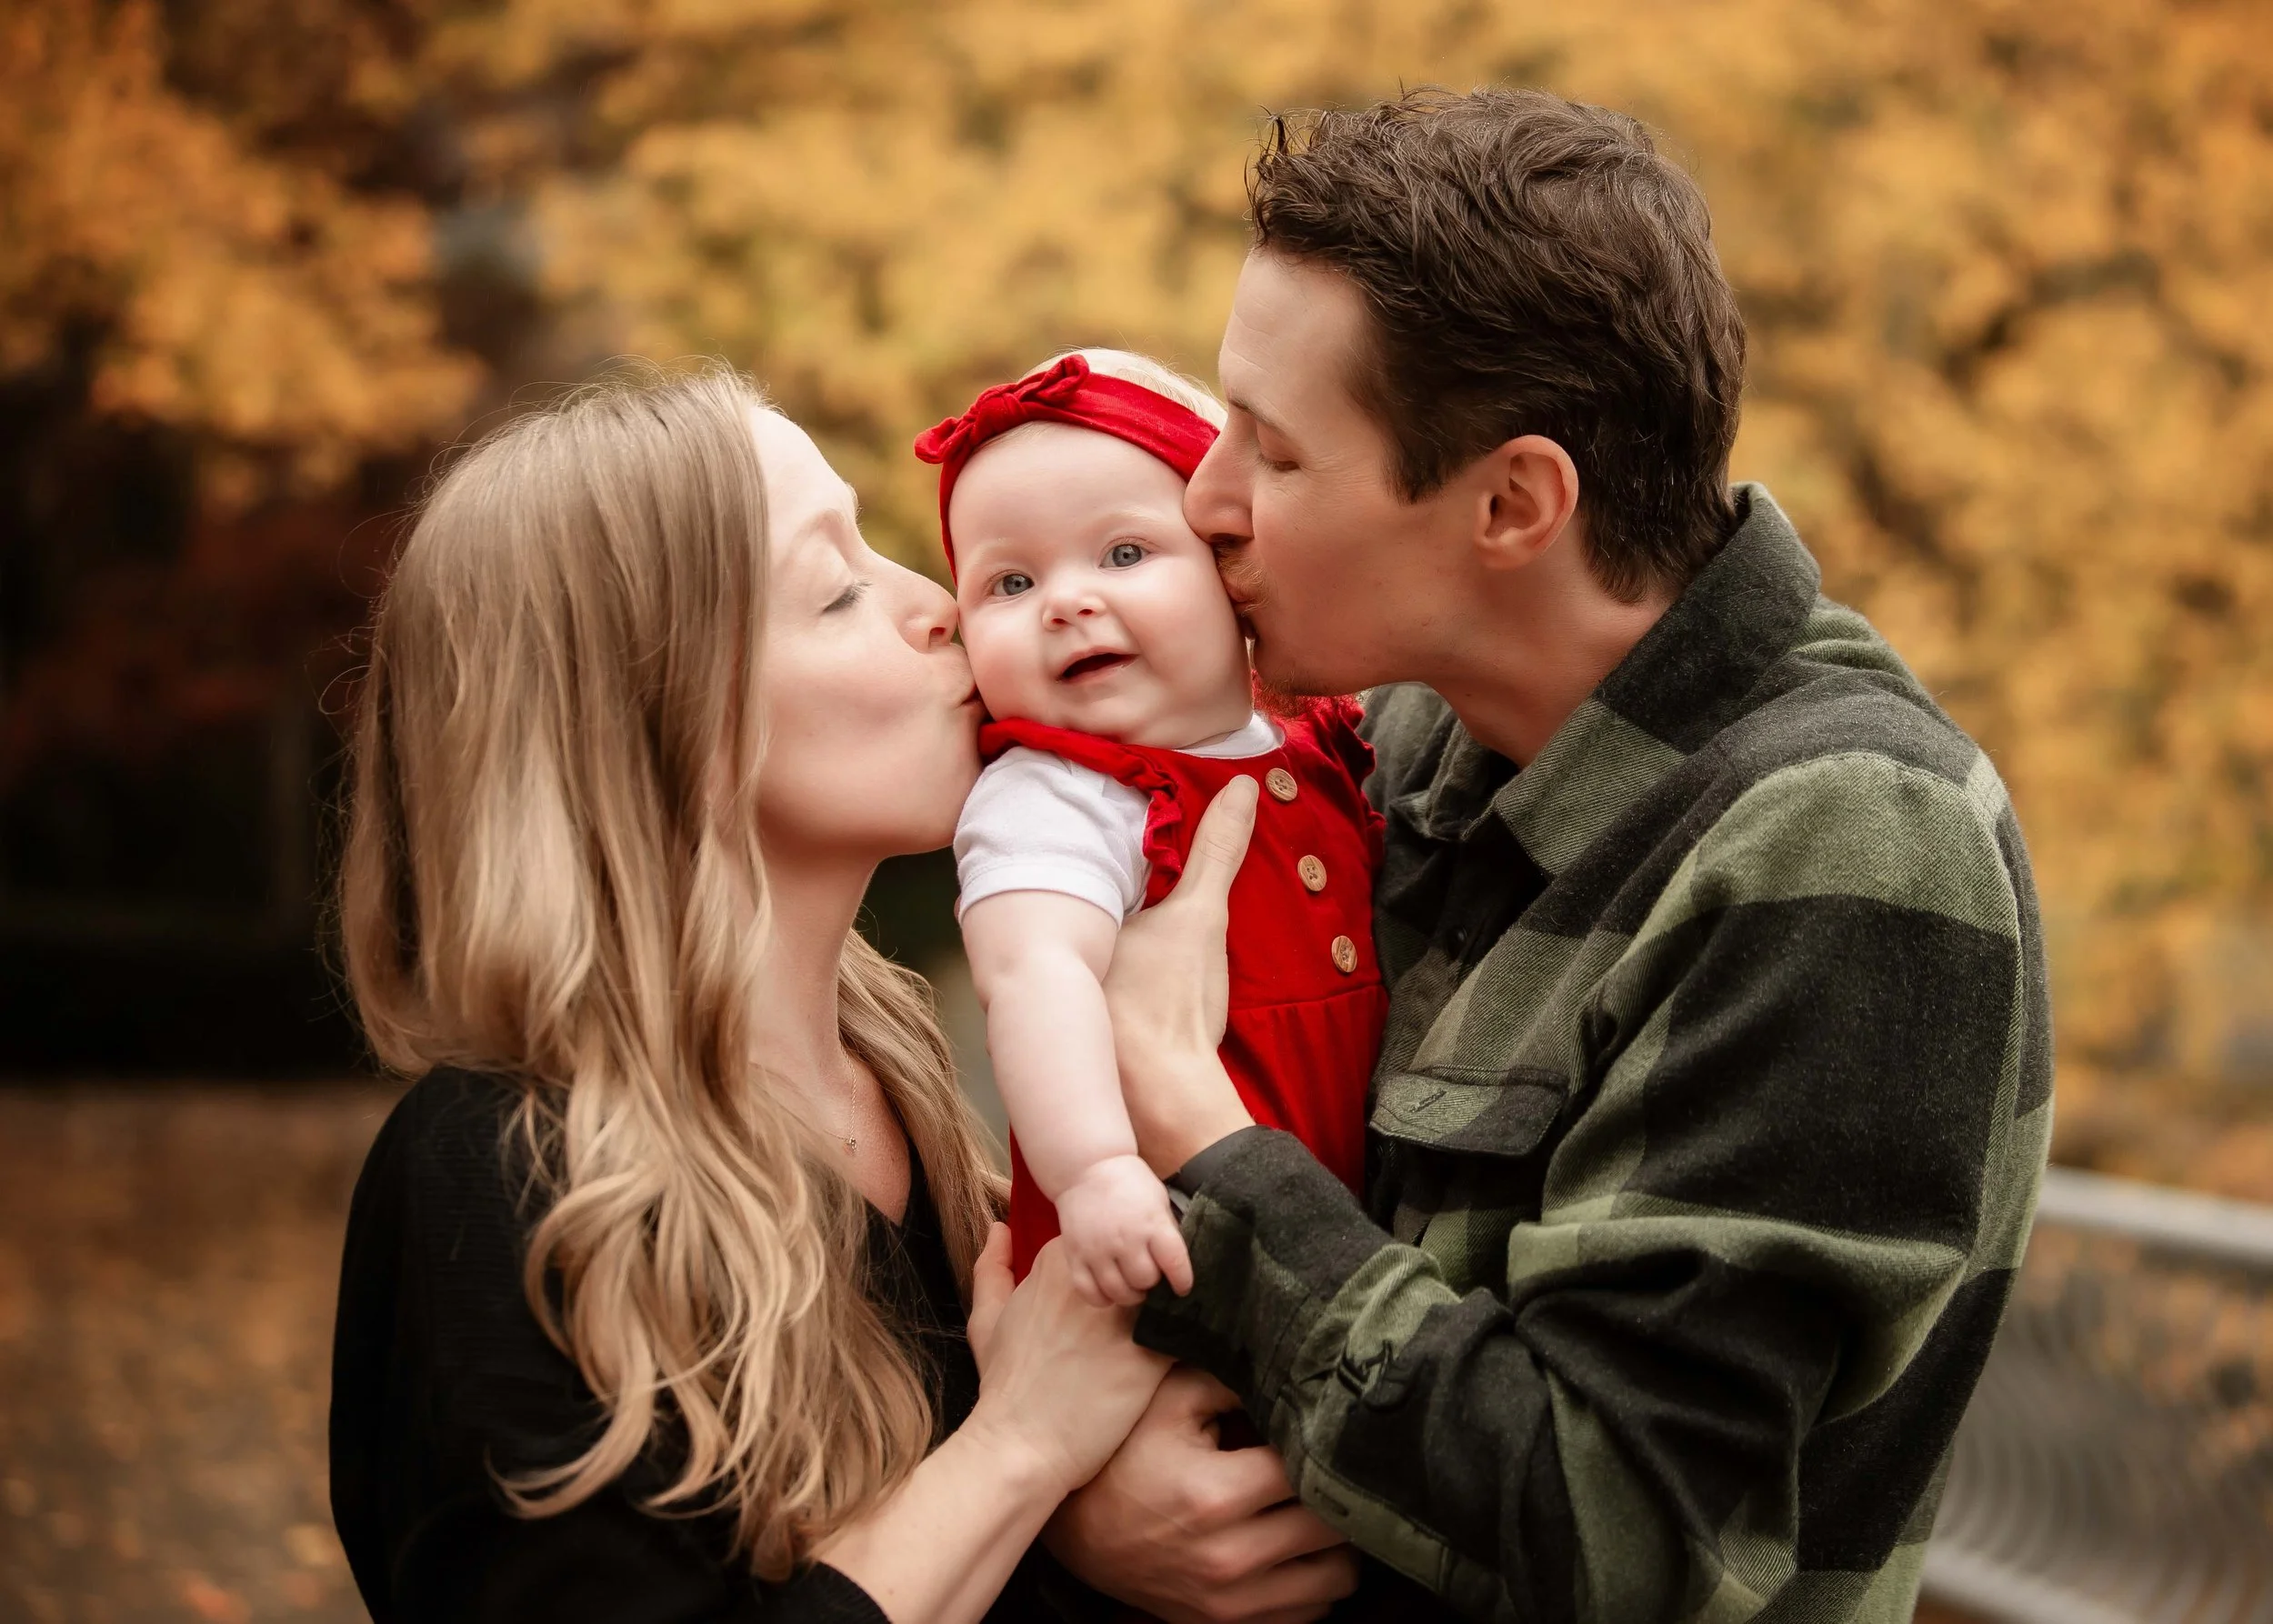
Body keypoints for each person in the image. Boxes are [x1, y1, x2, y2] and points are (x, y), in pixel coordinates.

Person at [1048, 88, 2053, 1623]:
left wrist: (1200, 1130)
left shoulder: (1848, 839)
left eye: (1275, 450)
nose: (1206, 502)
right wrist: (1089, 1503)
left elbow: (1628, 1537)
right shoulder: (1399, 739)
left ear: (1513, 503)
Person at [327, 362, 1172, 1623]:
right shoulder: (506, 1180)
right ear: (656, 724)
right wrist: (1022, 1450)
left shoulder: (904, 1065)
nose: (939, 604)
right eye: (836, 590)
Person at [922, 348, 1386, 1306]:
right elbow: (1031, 973)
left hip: (1344, 1234)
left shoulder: (1315, 743)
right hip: (1160, 1250)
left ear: (1231, 571)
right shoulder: (1062, 795)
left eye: (1124, 554)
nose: (1067, 601)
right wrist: (1093, 1168)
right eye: (1008, 584)